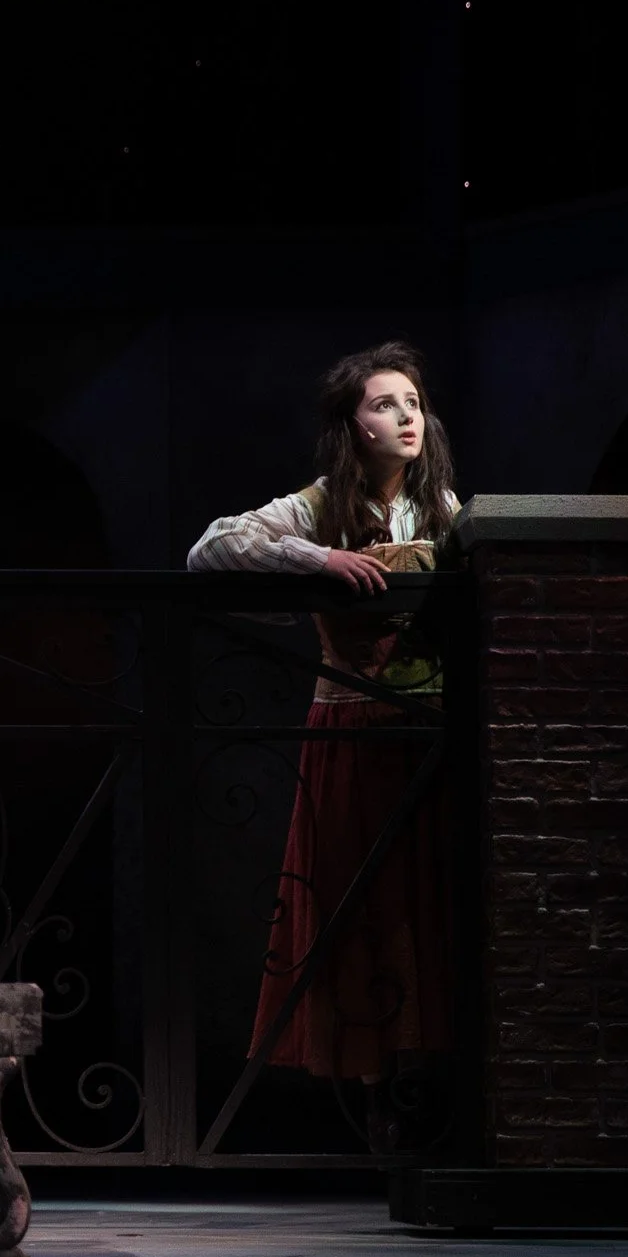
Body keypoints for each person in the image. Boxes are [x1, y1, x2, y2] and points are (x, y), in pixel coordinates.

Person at [187, 342, 460, 1146]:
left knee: (427, 908)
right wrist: (321, 558)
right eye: (385, 403)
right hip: (350, 729)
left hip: (429, 730)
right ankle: (377, 1092)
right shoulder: (321, 504)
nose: (405, 416)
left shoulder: (443, 507)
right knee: (360, 906)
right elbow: (211, 548)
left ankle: (428, 1082)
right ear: (355, 425)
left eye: (413, 402)